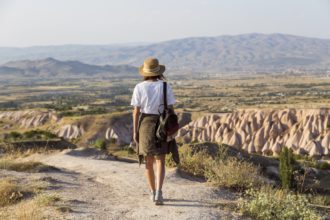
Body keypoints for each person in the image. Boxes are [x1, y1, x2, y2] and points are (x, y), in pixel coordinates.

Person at [131, 57, 176, 205]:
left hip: (145, 124)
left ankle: (152, 192)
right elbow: (171, 109)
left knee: (148, 161)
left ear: (145, 72)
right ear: (158, 72)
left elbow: (136, 112)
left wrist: (135, 131)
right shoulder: (165, 86)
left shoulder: (139, 87)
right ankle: (159, 192)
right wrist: (171, 128)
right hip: (162, 124)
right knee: (160, 160)